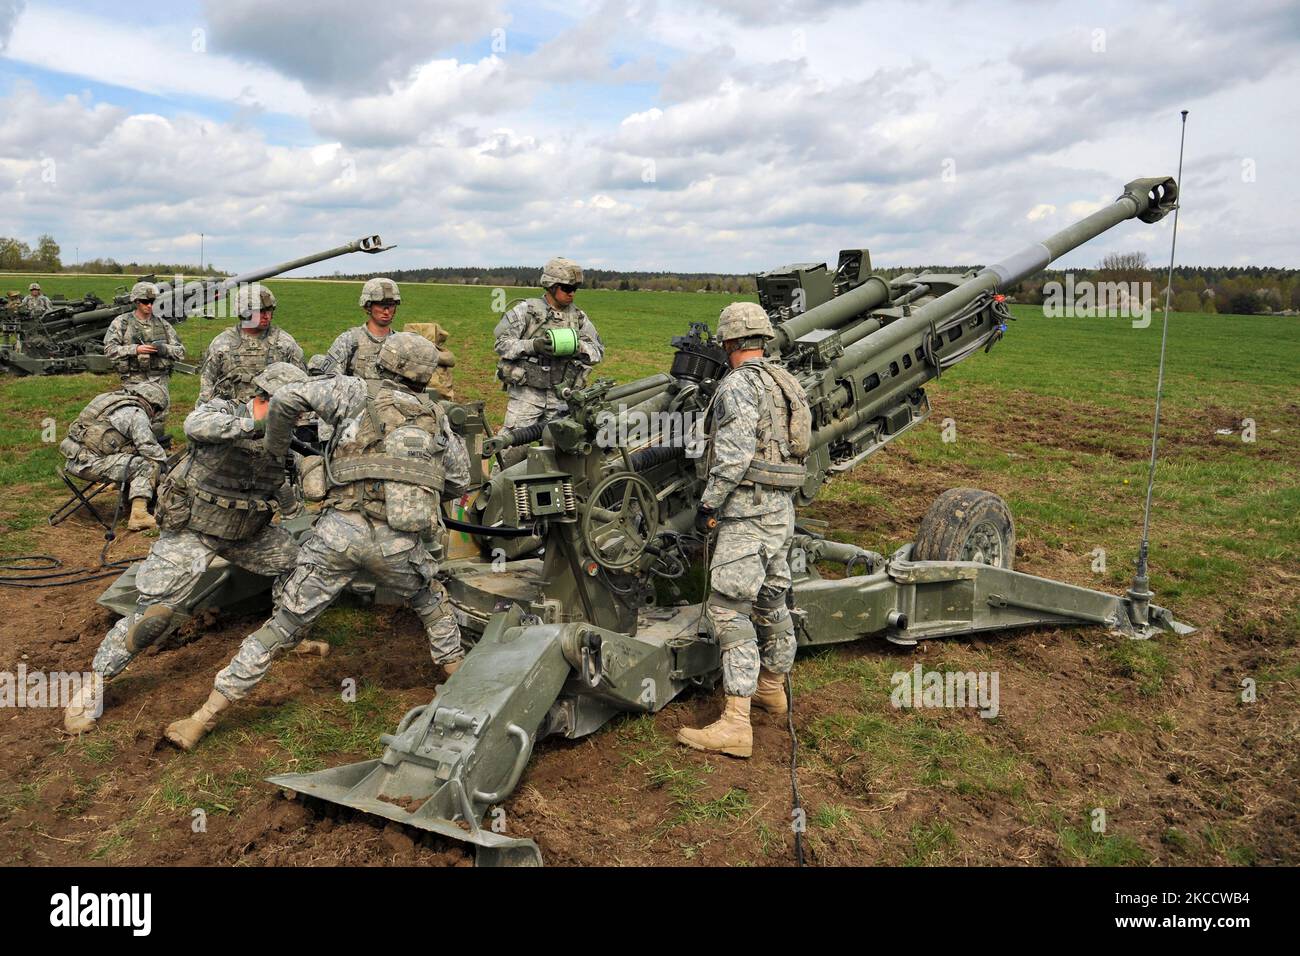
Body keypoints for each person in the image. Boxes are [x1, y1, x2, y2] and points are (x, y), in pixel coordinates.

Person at [164, 332, 471, 750]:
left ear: (383, 363)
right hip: (398, 544)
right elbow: (458, 480)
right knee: (433, 606)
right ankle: (464, 693)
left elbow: (288, 398)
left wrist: (276, 449)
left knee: (282, 627)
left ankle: (201, 719)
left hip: (336, 535)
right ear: (424, 374)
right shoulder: (438, 416)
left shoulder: (351, 389)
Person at [63, 363, 310, 734]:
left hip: (246, 532)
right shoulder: (225, 412)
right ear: (265, 398)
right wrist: (256, 425)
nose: (296, 417)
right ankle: (92, 686)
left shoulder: (284, 436)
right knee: (154, 617)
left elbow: (275, 479)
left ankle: (288, 635)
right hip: (194, 530)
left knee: (299, 564)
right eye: (291, 408)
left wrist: (296, 506)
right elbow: (195, 425)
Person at [676, 302, 812, 759]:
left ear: (730, 342)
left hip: (747, 511)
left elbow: (732, 456)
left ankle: (736, 722)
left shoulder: (737, 386)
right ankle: (772, 689)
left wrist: (709, 504)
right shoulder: (787, 381)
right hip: (780, 511)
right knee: (773, 597)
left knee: (728, 609)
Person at [492, 257, 604, 467]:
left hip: (562, 397)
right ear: (551, 286)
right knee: (511, 453)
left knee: (561, 456)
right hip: (527, 395)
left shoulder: (579, 318)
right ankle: (494, 494)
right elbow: (501, 343)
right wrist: (533, 346)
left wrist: (578, 347)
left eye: (575, 288)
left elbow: (598, 352)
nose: (572, 293)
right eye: (567, 287)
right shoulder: (526, 311)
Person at [60, 379, 171, 531]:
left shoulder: (107, 399)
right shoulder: (137, 414)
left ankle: (128, 505)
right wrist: (166, 466)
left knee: (131, 456)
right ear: (154, 405)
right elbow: (149, 448)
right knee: (145, 465)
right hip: (91, 465)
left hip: (73, 459)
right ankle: (139, 516)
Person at [199, 283, 305, 402]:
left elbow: (302, 389)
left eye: (269, 310)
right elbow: (206, 391)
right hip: (230, 417)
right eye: (260, 311)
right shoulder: (221, 344)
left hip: (272, 416)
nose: (267, 316)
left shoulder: (285, 343)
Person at [312, 277, 401, 382]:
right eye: (381, 305)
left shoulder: (402, 343)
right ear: (367, 306)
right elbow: (329, 381)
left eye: (391, 305)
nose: (386, 312)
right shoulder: (349, 340)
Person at [103, 281, 186, 392]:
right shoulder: (121, 323)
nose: (150, 305)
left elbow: (181, 352)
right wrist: (135, 349)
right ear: (136, 301)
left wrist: (164, 349)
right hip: (133, 384)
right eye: (145, 302)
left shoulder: (163, 324)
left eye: (152, 301)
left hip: (160, 384)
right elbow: (109, 350)